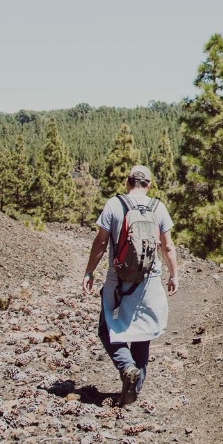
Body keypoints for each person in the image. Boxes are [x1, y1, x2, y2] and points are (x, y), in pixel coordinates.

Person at [83, 164, 178, 405]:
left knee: (107, 329)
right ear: (149, 185)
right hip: (149, 281)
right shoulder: (159, 208)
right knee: (142, 333)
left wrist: (89, 271)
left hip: (118, 280)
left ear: (127, 183)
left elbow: (101, 243)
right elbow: (167, 246)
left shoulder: (115, 205)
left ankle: (126, 368)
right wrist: (173, 274)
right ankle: (131, 394)